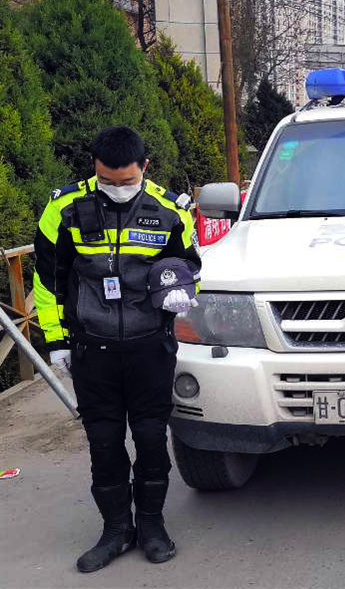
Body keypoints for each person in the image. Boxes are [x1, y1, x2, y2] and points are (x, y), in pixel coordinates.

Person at [33, 126, 201, 572]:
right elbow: (48, 281)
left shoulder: (171, 210)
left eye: (127, 181)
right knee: (103, 443)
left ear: (144, 167)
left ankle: (152, 526)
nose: (118, 188)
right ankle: (115, 530)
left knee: (150, 438)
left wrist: (184, 294)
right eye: (107, 180)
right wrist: (56, 341)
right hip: (93, 350)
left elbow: (190, 268)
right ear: (95, 167)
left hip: (150, 348)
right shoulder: (64, 208)